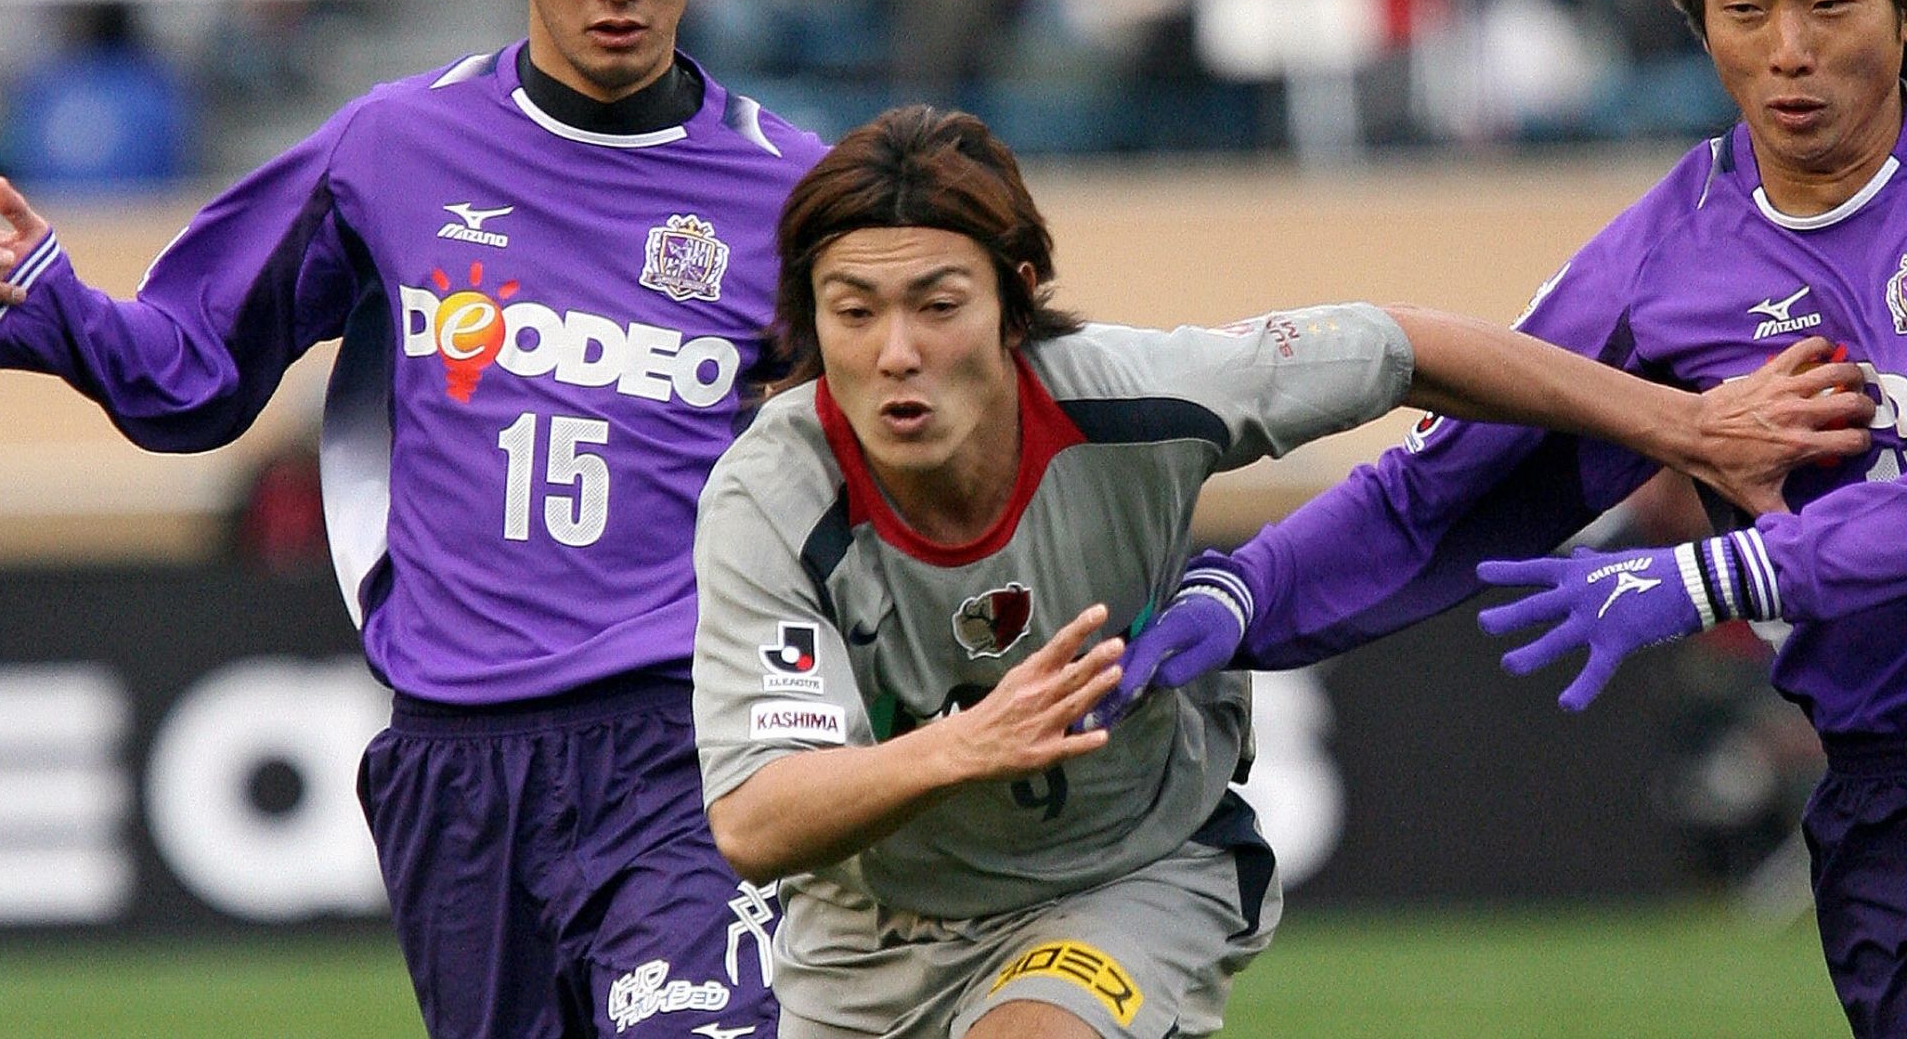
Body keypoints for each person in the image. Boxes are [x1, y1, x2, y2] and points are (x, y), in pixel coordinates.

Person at [684, 104, 1866, 1039]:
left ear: (1017, 303)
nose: (896, 351)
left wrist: (1684, 426)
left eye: (938, 304)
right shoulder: (770, 495)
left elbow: (1406, 346)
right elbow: (755, 818)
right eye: (853, 311)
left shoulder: (1143, 394)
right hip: (868, 936)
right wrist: (965, 745)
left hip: (1127, 875)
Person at [0, 0, 825, 1036]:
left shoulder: (796, 193)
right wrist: (49, 304)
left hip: (686, 740)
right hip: (458, 766)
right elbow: (194, 371)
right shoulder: (393, 145)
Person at [1106, 0, 1907, 1033]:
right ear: (1699, 21)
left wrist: (1721, 574)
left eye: (1830, 3)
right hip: (1884, 801)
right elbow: (1438, 496)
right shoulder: (1660, 265)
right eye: (1746, 9)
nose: (1789, 49)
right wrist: (1245, 592)